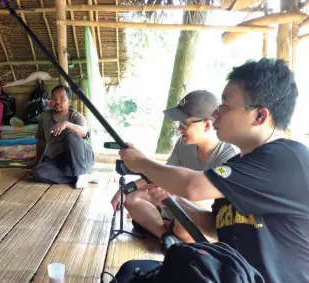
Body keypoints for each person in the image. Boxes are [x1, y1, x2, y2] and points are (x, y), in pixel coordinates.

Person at [118, 59, 309, 283]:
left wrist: (142, 163)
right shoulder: (238, 164)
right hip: (230, 273)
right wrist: (172, 200)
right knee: (131, 271)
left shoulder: (288, 157)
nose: (216, 113)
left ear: (260, 116)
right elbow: (213, 224)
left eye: (225, 106)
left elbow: (193, 186)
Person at [111, 90, 238, 242]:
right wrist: (126, 189)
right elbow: (161, 176)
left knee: (182, 226)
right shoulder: (184, 144)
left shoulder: (229, 156)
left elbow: (213, 210)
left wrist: (174, 193)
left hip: (201, 216)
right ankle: (165, 236)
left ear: (206, 125)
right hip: (173, 201)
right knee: (131, 199)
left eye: (185, 123)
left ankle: (168, 229)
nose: (179, 129)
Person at [27, 85, 96, 188]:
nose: (57, 102)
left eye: (62, 99)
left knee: (70, 134)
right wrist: (37, 161)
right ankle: (79, 176)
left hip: (83, 158)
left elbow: (84, 132)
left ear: (69, 102)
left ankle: (81, 172)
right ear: (50, 101)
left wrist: (66, 124)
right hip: (60, 161)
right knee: (38, 173)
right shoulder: (45, 117)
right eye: (54, 99)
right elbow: (41, 141)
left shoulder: (76, 116)